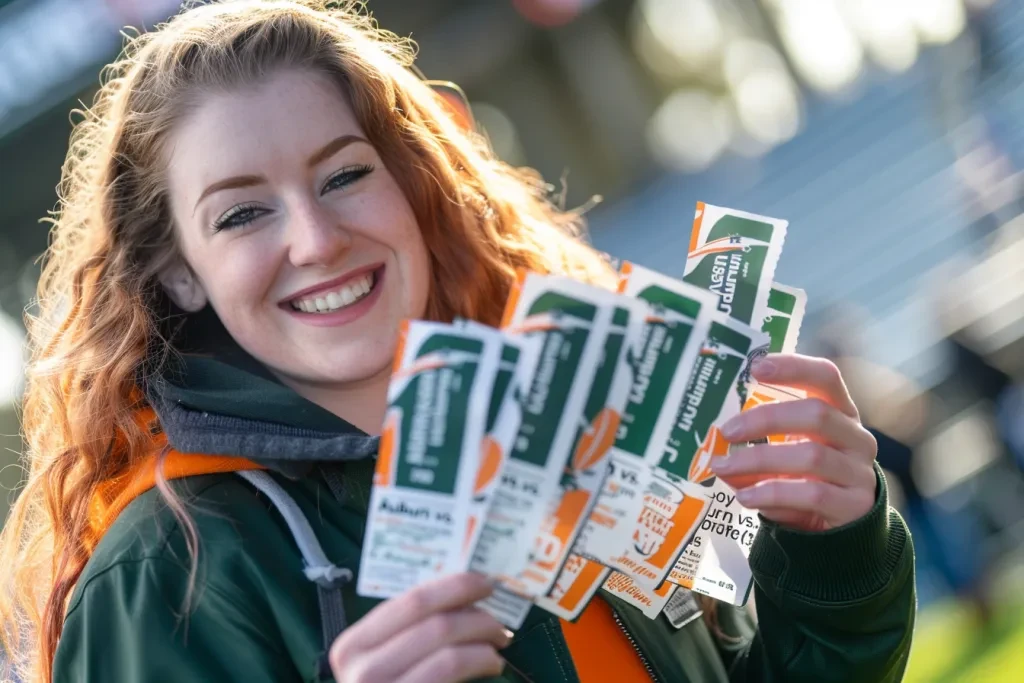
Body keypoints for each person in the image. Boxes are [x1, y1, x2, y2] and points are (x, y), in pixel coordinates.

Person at [0, 2, 915, 681]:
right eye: (242, 212)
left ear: (411, 189)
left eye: (344, 175)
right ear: (176, 272)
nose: (316, 240)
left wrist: (838, 556)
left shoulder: (567, 424)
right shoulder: (172, 570)